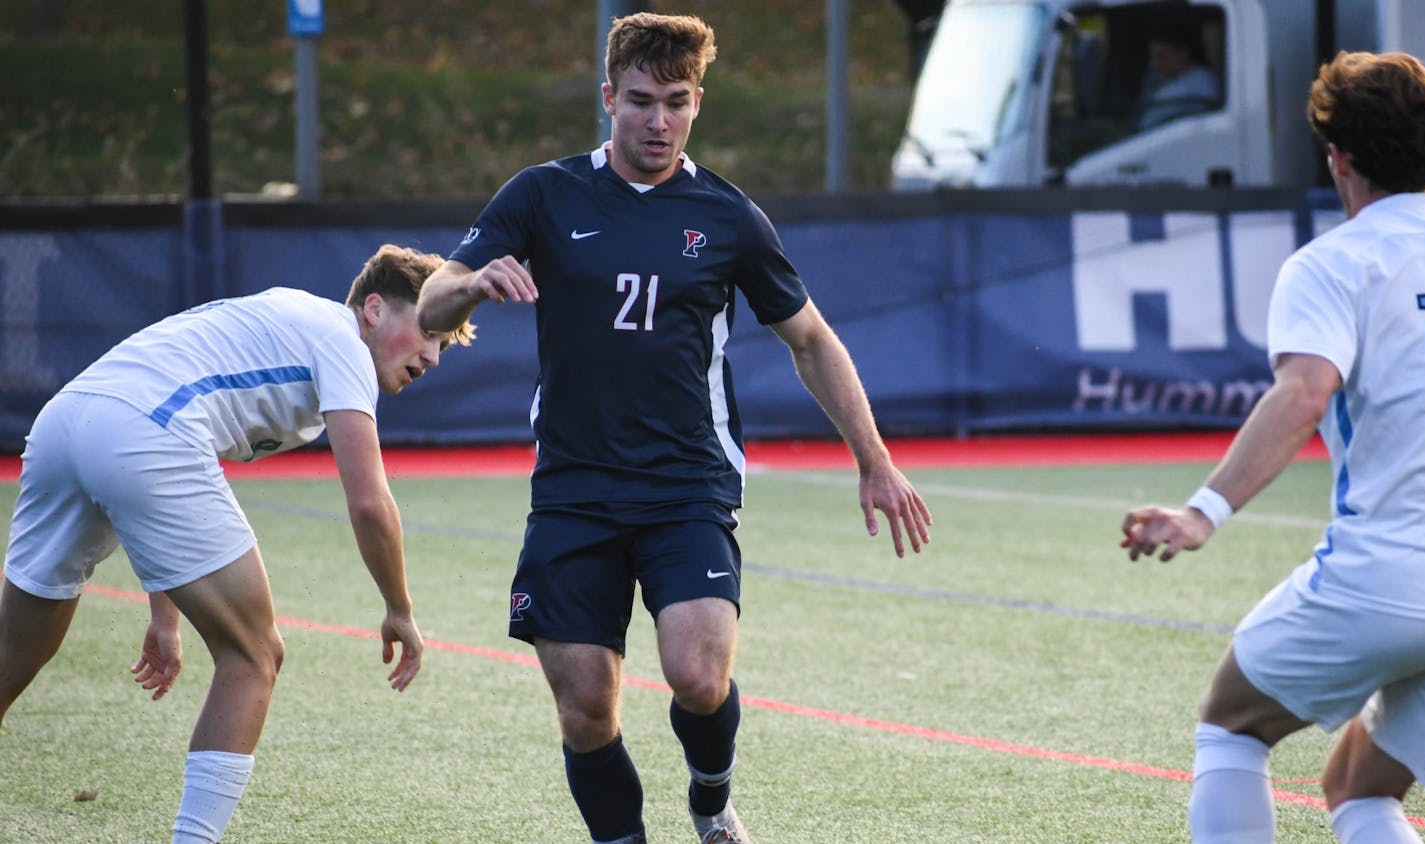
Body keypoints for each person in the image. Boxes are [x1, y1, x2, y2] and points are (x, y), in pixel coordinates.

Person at [417, 13, 932, 844]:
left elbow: (811, 339)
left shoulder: (726, 215)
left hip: (685, 481)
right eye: (642, 102)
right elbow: (432, 302)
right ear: (608, 98)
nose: (659, 122)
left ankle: (710, 796)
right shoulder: (543, 194)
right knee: (586, 708)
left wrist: (873, 460)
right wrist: (476, 280)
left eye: (678, 103)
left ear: (699, 103)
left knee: (697, 674)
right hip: (575, 489)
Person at [1119, 52, 1425, 843]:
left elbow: (1303, 394)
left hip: (1384, 578)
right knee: (1359, 789)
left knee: (1231, 724)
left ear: (1337, 156)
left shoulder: (1335, 263)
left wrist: (1202, 513)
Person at [0, 244, 474, 843]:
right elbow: (369, 501)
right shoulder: (344, 341)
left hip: (65, 422)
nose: (433, 355)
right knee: (254, 656)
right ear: (374, 309)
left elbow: (159, 442)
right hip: (144, 430)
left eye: (445, 343)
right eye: (430, 331)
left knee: (12, 654)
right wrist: (399, 608)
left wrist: (164, 613)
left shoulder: (290, 319)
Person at [1135, 20, 1221, 131]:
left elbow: (1147, 128)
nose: (1154, 64)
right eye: (1152, 57)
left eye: (1161, 57)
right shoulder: (1159, 80)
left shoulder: (1199, 83)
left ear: (1182, 54)